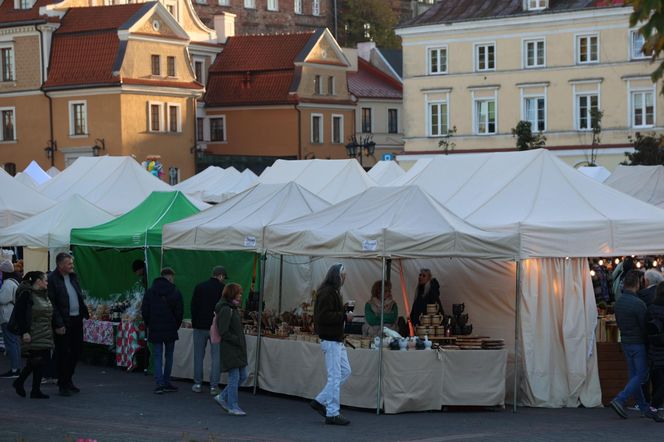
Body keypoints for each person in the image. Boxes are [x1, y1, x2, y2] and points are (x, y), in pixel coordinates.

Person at [609, 270, 663, 422]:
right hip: (638, 343)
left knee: (635, 375)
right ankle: (620, 399)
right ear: (637, 284)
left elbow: (619, 323)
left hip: (626, 341)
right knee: (641, 374)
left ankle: (644, 407)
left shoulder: (618, 303)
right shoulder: (639, 304)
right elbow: (644, 326)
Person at [310, 263, 352, 426]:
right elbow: (323, 317)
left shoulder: (331, 291)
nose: (345, 277)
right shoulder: (328, 292)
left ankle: (320, 400)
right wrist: (343, 316)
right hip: (331, 339)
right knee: (335, 376)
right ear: (337, 276)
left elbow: (326, 315)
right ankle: (332, 412)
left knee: (345, 371)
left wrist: (342, 311)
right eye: (343, 275)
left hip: (335, 339)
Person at [48, 252, 89, 397]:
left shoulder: (72, 276)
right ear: (60, 265)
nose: (72, 265)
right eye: (69, 263)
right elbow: (52, 304)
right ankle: (63, 383)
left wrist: (84, 310)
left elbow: (77, 294)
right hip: (63, 321)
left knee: (77, 350)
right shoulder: (52, 279)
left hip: (76, 319)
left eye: (72, 263)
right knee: (63, 353)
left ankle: (68, 379)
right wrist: (58, 323)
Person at [141, 267, 183, 394]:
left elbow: (145, 311)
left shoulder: (150, 291)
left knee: (157, 355)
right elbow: (179, 312)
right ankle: (166, 381)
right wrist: (175, 325)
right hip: (170, 328)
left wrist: (150, 323)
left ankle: (159, 383)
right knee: (169, 356)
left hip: (155, 328)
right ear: (169, 277)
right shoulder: (175, 291)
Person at [12, 271, 53, 399]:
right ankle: (24, 384)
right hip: (33, 333)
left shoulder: (45, 295)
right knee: (37, 360)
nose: (47, 282)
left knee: (40, 361)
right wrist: (25, 331)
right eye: (45, 280)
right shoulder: (27, 294)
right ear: (38, 281)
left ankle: (31, 387)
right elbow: (19, 314)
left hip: (45, 332)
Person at [213, 283, 248, 416]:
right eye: (238, 293)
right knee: (235, 377)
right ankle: (233, 405)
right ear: (232, 294)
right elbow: (223, 331)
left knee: (242, 376)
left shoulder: (232, 308)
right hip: (231, 348)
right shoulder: (227, 309)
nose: (240, 295)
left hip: (236, 348)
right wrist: (236, 339)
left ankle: (222, 397)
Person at [191, 266, 226, 395]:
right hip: (215, 327)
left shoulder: (200, 287)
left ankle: (197, 383)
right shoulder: (223, 290)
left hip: (200, 326)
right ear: (220, 276)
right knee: (216, 357)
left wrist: (195, 323)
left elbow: (193, 306)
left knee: (198, 356)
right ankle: (213, 386)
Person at [0, 261, 21, 378]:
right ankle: (16, 368)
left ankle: (14, 370)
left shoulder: (8, 283)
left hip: (7, 316)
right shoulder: (15, 282)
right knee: (15, 342)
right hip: (13, 316)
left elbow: (2, 299)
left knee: (11, 343)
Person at [648, 281, 664, 414]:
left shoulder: (652, 306)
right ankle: (654, 404)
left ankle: (655, 404)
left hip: (654, 347)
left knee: (658, 377)